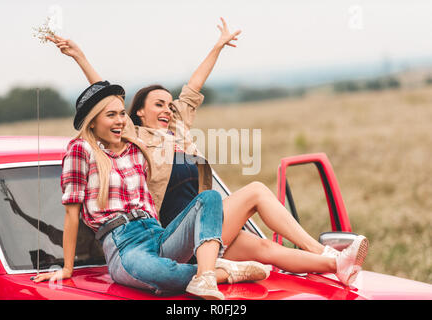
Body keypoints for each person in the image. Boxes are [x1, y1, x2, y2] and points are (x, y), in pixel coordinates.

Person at [46, 18, 368, 286]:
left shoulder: (179, 131)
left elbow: (193, 88)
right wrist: (79, 56)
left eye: (170, 105)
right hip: (174, 231)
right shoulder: (135, 138)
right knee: (256, 202)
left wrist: (218, 46)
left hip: (209, 222)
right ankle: (320, 254)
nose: (168, 109)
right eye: (158, 104)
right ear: (139, 113)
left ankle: (335, 263)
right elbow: (104, 101)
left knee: (264, 245)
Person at [32, 81, 270, 300]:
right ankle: (224, 270)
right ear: (93, 121)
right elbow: (71, 214)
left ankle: (207, 275)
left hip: (158, 233)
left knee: (209, 197)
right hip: (123, 244)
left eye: (122, 113)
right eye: (110, 115)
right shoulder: (80, 150)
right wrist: (67, 268)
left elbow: (178, 122)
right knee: (159, 273)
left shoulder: (136, 148)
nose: (120, 120)